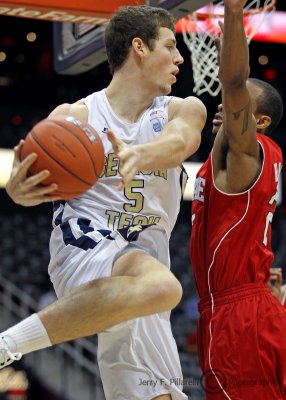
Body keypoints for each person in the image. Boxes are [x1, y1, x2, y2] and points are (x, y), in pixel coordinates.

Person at [1, 5, 207, 400]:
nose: (180, 57)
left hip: (142, 270)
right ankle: (8, 344)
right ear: (139, 48)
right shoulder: (74, 117)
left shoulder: (184, 109)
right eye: (170, 45)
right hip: (86, 246)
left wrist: (140, 155)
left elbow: (183, 141)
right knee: (164, 286)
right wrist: (17, 191)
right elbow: (20, 180)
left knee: (157, 393)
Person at [189, 0, 286, 398]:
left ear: (257, 120)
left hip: (238, 318)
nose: (224, 108)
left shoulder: (247, 151)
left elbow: (232, 83)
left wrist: (232, 10)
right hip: (256, 306)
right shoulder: (245, 159)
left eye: (237, 105)